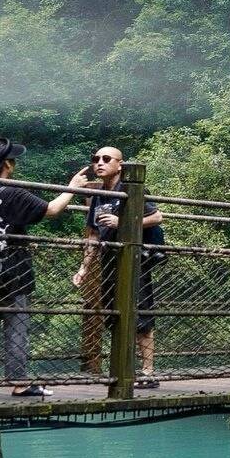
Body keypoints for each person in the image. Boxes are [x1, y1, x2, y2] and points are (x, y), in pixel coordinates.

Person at [0, 139, 87, 397]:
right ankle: (19, 383)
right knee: (17, 323)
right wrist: (72, 188)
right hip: (10, 269)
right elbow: (52, 210)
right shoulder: (10, 191)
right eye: (13, 160)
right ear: (7, 165)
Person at [70, 145, 167, 387]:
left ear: (119, 165)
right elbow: (93, 235)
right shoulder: (100, 195)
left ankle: (147, 373)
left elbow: (157, 217)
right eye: (96, 159)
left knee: (141, 314)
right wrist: (84, 268)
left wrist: (121, 221)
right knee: (114, 315)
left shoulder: (130, 188)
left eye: (106, 159)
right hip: (110, 261)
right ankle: (121, 369)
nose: (99, 163)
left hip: (135, 260)